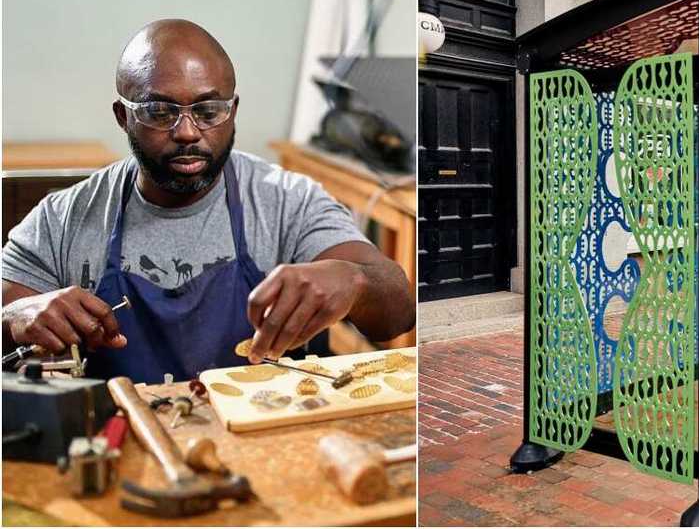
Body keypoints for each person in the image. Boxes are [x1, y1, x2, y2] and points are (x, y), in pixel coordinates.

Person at [1, 19, 415, 383]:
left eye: (208, 109)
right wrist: (13, 317)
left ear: (232, 111)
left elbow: (400, 313)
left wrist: (354, 281)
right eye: (159, 111)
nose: (187, 131)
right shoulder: (63, 219)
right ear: (123, 116)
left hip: (271, 450)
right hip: (120, 445)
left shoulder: (287, 201)